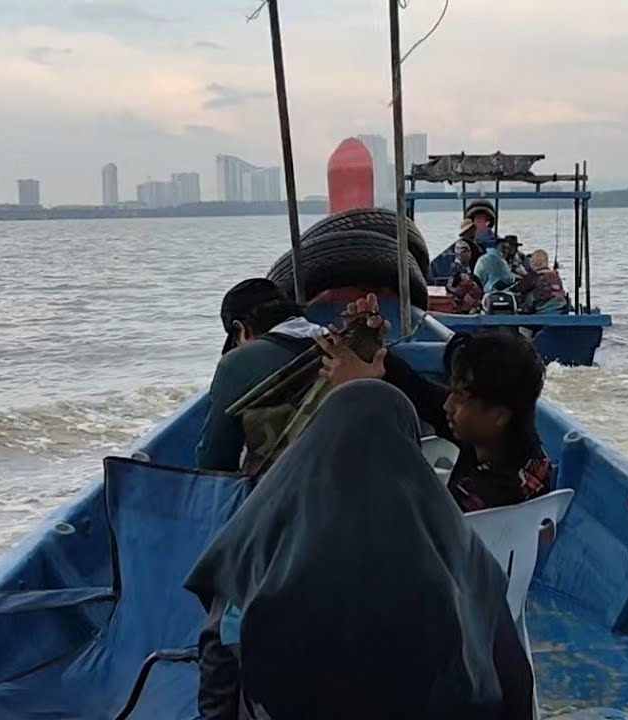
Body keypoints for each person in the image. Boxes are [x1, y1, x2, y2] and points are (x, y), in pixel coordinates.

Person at [186, 380, 534, 720]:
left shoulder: (260, 536)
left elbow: (218, 659)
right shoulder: (460, 549)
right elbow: (512, 674)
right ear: (410, 451)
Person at [317, 294, 555, 512]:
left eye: (460, 397)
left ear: (499, 415)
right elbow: (423, 394)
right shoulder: (501, 442)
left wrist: (354, 395)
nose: (447, 405)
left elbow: (396, 507)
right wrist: (373, 351)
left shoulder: (491, 493)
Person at [196, 278, 323, 471]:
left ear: (241, 328)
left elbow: (214, 461)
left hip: (281, 488)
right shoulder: (345, 346)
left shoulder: (239, 362)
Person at [524, 250, 569, 314]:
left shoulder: (533, 277)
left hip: (543, 312)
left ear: (535, 262)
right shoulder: (556, 276)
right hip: (561, 309)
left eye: (531, 261)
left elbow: (520, 289)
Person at [446, 240, 484, 313]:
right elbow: (450, 287)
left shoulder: (472, 270)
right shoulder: (454, 269)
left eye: (465, 251)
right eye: (460, 250)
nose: (462, 253)